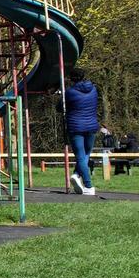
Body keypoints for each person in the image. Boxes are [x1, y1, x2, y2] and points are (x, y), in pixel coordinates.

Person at [62, 68, 101, 196]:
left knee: (80, 155)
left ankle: (88, 185)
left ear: (71, 78)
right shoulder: (94, 89)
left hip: (76, 127)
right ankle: (77, 175)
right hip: (91, 126)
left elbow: (60, 107)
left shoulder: (69, 92)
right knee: (86, 154)